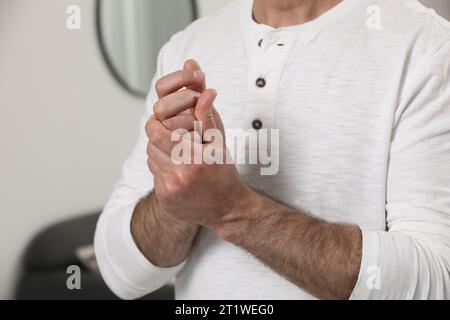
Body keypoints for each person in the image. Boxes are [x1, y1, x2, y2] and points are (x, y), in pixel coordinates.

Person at [94, 0, 450, 300]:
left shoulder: (425, 46)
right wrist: (180, 199)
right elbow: (122, 276)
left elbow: (437, 281)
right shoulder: (186, 47)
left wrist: (231, 209)